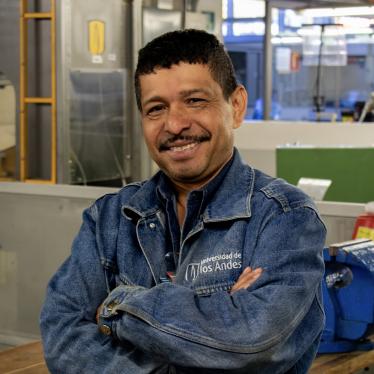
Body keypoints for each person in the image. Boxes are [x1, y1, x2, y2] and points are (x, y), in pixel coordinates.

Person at [40, 29, 326, 373]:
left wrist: (116, 306)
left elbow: (252, 344)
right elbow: (62, 340)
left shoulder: (284, 217)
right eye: (156, 108)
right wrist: (212, 330)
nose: (175, 124)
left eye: (195, 101)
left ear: (235, 106)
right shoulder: (110, 219)